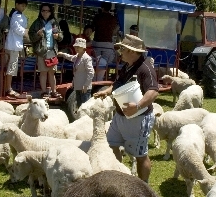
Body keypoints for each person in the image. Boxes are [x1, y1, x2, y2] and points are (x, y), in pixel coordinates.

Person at [94, 34, 158, 182]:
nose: (120, 52)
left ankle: (143, 186)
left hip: (138, 118)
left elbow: (154, 91)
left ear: (132, 51)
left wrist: (138, 106)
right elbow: (118, 83)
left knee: (140, 155)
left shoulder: (145, 68)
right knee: (111, 145)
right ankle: (118, 179)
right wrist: (107, 91)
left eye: (122, 49)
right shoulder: (127, 66)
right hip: (120, 116)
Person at [29, 3, 64, 98]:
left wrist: (58, 36)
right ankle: (44, 92)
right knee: (43, 72)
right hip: (42, 52)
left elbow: (61, 36)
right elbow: (31, 36)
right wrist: (38, 35)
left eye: (47, 11)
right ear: (40, 12)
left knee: (52, 72)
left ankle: (54, 91)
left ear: (50, 12)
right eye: (43, 10)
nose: (45, 12)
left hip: (52, 51)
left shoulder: (54, 23)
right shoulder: (37, 23)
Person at [3, 0, 29, 99]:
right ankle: (9, 89)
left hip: (13, 44)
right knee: (11, 67)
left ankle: (7, 87)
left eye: (24, 6)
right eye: (22, 5)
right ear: (17, 4)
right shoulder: (16, 15)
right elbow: (15, 27)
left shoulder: (15, 14)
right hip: (13, 45)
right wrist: (25, 32)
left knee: (9, 67)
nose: (23, 8)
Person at [57, 38, 94, 107]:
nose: (76, 48)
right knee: (79, 106)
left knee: (85, 107)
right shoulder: (77, 56)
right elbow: (71, 57)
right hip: (78, 86)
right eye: (76, 47)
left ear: (83, 48)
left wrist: (86, 85)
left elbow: (91, 72)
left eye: (79, 47)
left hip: (84, 87)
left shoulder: (87, 58)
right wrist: (63, 54)